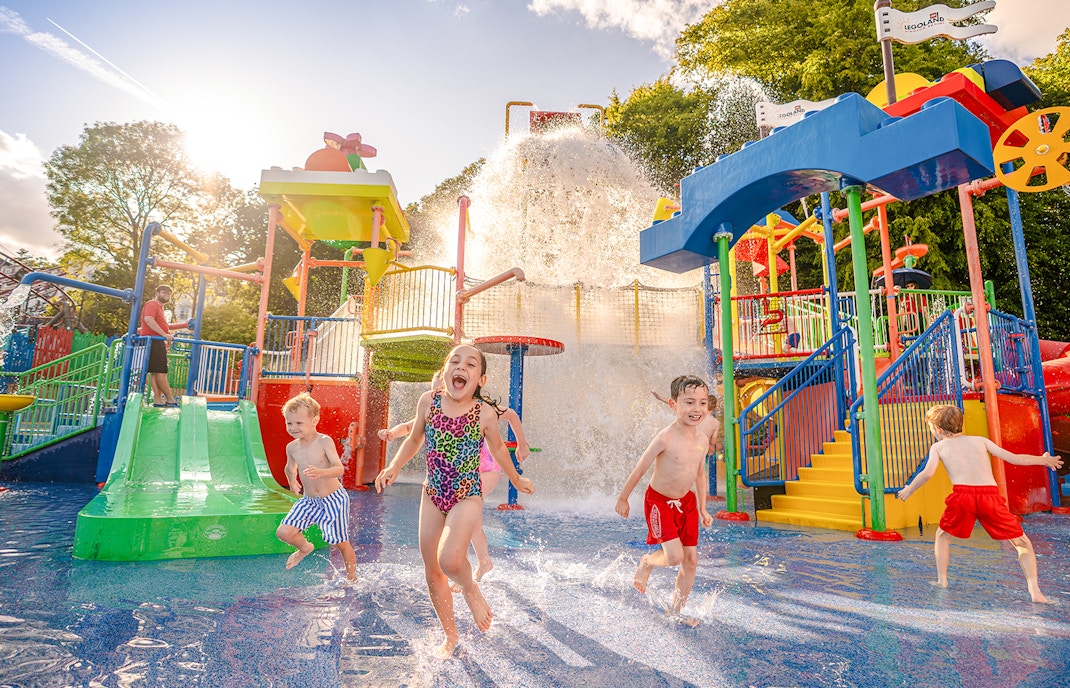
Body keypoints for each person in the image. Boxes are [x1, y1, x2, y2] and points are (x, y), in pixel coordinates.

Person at [375, 344, 535, 657]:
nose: (461, 367)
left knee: (449, 560)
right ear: (446, 371)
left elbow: (498, 450)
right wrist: (394, 466)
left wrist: (517, 480)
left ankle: (471, 590)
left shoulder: (483, 412)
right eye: (455, 362)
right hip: (433, 494)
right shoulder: (428, 401)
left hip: (467, 495)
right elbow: (415, 438)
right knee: (432, 572)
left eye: (470, 364)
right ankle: (450, 636)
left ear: (481, 380)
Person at [897, 404, 1063, 604]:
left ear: (937, 429)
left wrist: (909, 490)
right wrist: (1043, 460)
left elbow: (927, 473)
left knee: (942, 535)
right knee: (1022, 543)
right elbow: (1014, 458)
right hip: (989, 496)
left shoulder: (938, 447)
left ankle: (942, 580)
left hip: (962, 496)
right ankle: (1035, 592)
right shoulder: (981, 441)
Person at [381, 384, 531, 582]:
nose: (440, 395)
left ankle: (462, 571)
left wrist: (522, 444)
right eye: (436, 392)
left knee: (461, 517)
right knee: (471, 521)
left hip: (487, 470)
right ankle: (483, 562)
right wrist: (392, 433)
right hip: (460, 476)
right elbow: (410, 428)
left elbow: (511, 415)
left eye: (441, 390)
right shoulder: (435, 409)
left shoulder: (480, 407)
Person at [622, 376, 715, 626]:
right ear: (673, 404)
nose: (697, 409)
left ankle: (676, 610)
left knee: (691, 560)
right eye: (689, 402)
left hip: (687, 503)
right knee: (674, 557)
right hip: (660, 502)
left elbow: (699, 474)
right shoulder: (665, 437)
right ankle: (647, 561)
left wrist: (703, 508)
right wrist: (623, 498)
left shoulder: (702, 440)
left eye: (702, 403)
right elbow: (641, 467)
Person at [276, 392, 357, 583]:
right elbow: (290, 467)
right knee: (283, 532)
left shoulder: (324, 441)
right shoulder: (292, 447)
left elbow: (339, 469)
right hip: (309, 501)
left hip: (333, 499)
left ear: (314, 421)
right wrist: (292, 481)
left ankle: (352, 579)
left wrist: (321, 472)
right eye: (289, 423)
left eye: (299, 423)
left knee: (341, 543)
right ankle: (305, 547)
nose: (293, 428)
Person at [652, 388, 721, 499]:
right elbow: (712, 441)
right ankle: (699, 494)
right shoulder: (715, 423)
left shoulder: (695, 415)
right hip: (699, 448)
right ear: (715, 407)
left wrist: (660, 398)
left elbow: (678, 407)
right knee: (699, 472)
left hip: (684, 444)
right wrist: (713, 447)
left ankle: (673, 490)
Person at [139, 284, 178, 407]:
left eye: (169, 294)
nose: (166, 295)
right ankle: (170, 399)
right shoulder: (152, 304)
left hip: (155, 340)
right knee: (161, 371)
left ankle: (158, 399)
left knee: (156, 372)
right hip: (153, 340)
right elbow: (148, 319)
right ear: (157, 293)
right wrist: (164, 334)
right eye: (164, 292)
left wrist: (166, 334)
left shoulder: (160, 307)